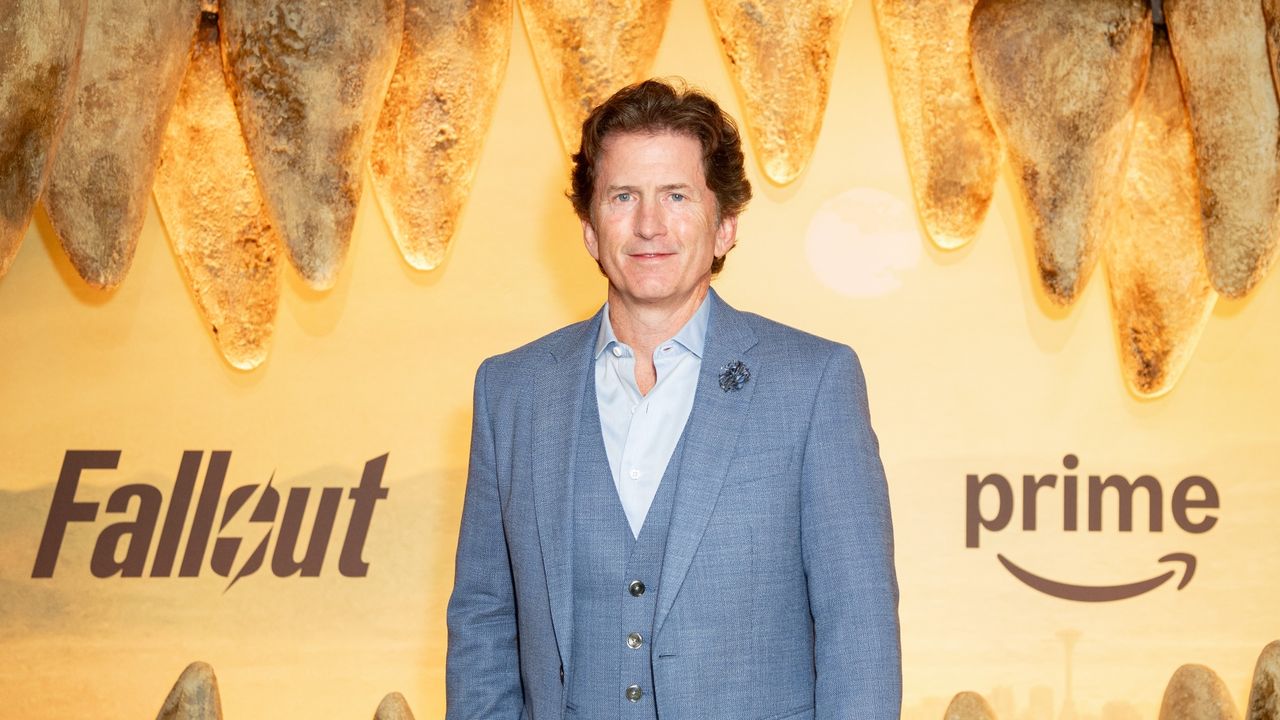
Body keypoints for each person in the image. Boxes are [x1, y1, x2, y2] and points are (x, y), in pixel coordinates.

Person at [446, 78, 900, 720]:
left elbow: (860, 629)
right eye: (623, 196)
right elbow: (484, 620)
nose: (648, 225)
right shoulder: (512, 391)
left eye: (677, 196)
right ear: (589, 229)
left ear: (725, 227)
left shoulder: (814, 383)